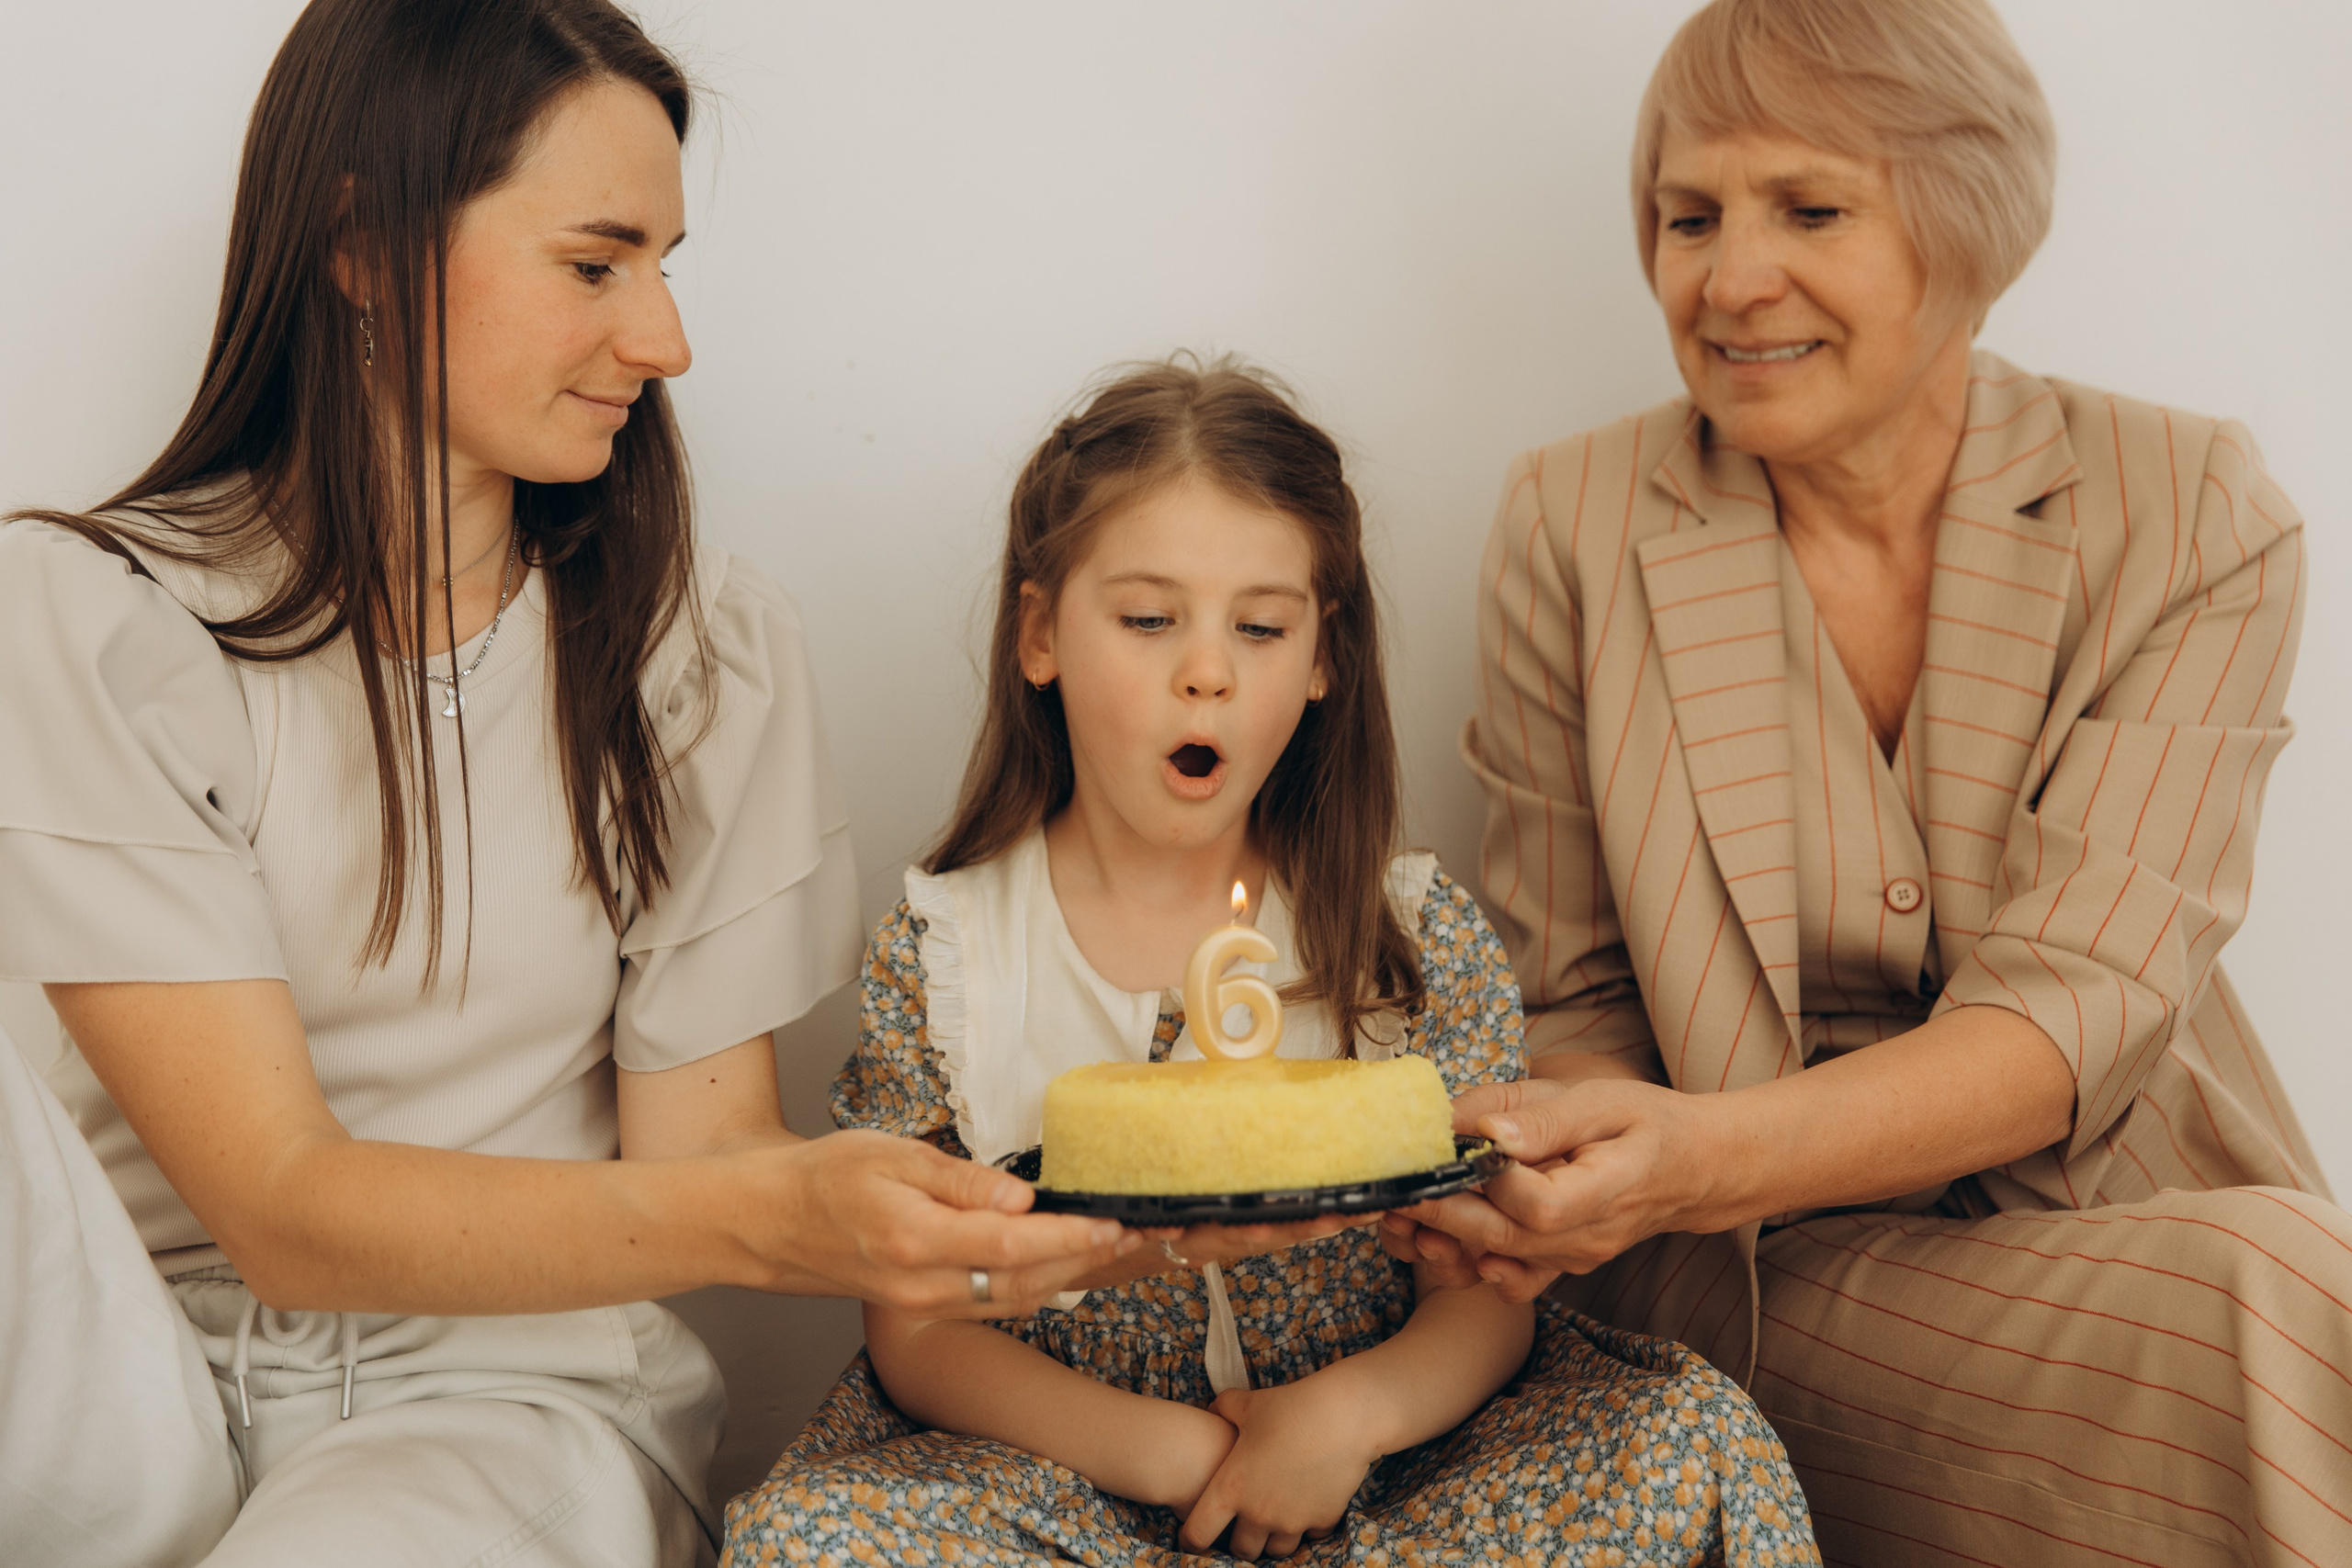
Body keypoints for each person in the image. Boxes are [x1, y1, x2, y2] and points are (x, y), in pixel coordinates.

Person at [0, 4, 1138, 1564]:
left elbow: (707, 1156)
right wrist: (779, 1219)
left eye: (665, 268)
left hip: (496, 1399)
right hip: (133, 1378)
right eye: (597, 266)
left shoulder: (699, 656)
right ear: (358, 245)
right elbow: (270, 1200)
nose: (663, 340)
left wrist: (882, 1202)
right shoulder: (96, 616)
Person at [1376, 0, 2352, 1562]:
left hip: (2126, 1216)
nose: (1729, 277)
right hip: (1761, 1273)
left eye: (1809, 208)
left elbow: (2074, 1013)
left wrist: (1703, 1144)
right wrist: (1599, 1166)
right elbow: (1567, 1006)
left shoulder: (2195, 512)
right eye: (1689, 216)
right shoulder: (1575, 521)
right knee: (2286, 1304)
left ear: (1967, 232)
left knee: (2281, 1285)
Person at [718, 358, 1820, 1566]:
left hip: (1391, 1471)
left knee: (1690, 1441)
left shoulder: (1405, 933)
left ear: (1321, 657)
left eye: (1261, 625)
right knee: (815, 1540)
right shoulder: (950, 956)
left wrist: (1346, 1420)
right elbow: (920, 1326)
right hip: (1065, 1483)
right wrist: (1184, 1458)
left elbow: (1487, 1281)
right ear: (1040, 633)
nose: (1209, 670)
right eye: (1149, 620)